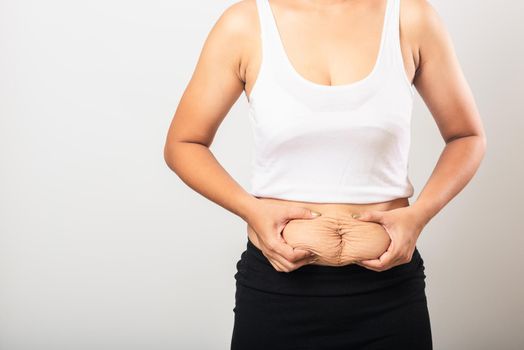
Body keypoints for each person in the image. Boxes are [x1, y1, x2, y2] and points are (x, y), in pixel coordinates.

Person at [164, 0, 487, 348]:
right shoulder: (245, 24)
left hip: (389, 296)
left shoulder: (410, 17)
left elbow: (467, 137)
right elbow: (183, 143)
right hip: (277, 292)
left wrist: (419, 215)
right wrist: (251, 209)